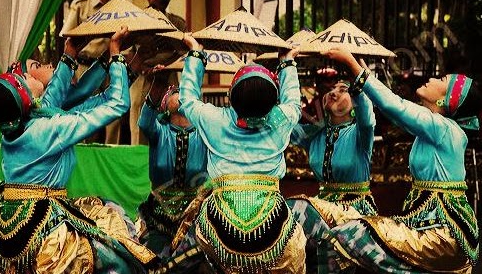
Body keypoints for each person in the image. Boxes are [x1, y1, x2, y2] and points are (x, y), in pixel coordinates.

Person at [0, 27, 158, 273]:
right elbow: (116, 103)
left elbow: (63, 94)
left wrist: (73, 54)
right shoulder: (48, 129)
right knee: (115, 247)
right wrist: (115, 54)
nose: (34, 78)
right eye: (27, 77)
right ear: (25, 96)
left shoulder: (26, 124)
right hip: (44, 223)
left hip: (16, 214)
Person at [321, 47, 482, 273]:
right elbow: (397, 107)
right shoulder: (435, 128)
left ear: (446, 99)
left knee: (349, 235)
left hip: (441, 237)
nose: (432, 77)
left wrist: (354, 66)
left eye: (442, 79)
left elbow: (395, 106)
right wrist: (362, 74)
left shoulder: (444, 128)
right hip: (423, 227)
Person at [177, 33, 307, 273]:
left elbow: (186, 100)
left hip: (218, 226)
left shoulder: (214, 119)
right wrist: (287, 61)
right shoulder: (280, 120)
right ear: (273, 102)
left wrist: (196, 53)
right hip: (274, 227)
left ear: (230, 97)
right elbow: (294, 103)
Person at [287, 65, 378, 272]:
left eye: (343, 89)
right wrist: (286, 70)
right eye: (332, 89)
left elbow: (368, 117)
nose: (334, 92)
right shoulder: (315, 134)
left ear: (354, 101)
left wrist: (357, 79)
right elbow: (284, 129)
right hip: (322, 209)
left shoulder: (361, 134)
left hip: (355, 211)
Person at [135, 67, 211, 272]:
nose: (178, 91)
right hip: (158, 216)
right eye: (174, 90)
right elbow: (144, 121)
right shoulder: (158, 132)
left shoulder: (206, 135)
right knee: (151, 263)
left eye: (184, 91)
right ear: (164, 105)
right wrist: (157, 85)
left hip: (194, 217)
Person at [59, 0, 127, 145]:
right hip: (84, 67)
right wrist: (69, 71)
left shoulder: (122, 8)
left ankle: (110, 151)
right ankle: (85, 151)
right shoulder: (82, 6)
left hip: (109, 68)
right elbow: (67, 38)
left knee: (113, 114)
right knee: (84, 112)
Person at [129, 0, 187, 146]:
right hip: (141, 76)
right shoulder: (134, 20)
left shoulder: (177, 23)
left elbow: (184, 52)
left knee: (171, 115)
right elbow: (126, 51)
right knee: (140, 119)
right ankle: (139, 159)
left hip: (168, 74)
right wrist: (141, 66)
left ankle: (168, 156)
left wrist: (166, 66)